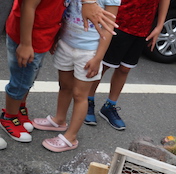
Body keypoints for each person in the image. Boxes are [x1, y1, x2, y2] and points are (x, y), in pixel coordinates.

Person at [1, 0, 118, 150]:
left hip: (49, 37)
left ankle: (20, 109)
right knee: (22, 79)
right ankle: (9, 116)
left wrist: (99, 57)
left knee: (30, 76)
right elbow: (28, 6)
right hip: (30, 36)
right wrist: (25, 43)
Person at [84, 0, 170, 130]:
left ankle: (110, 106)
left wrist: (159, 25)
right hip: (119, 20)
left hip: (143, 25)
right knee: (103, 65)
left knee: (125, 68)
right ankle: (88, 101)